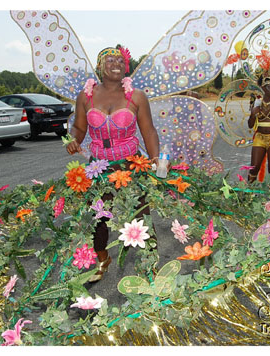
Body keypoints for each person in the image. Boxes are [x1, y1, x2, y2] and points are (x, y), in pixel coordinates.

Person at [66, 46, 160, 282]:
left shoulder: (136, 96)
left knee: (140, 214)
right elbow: (79, 127)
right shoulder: (85, 96)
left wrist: (155, 158)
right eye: (110, 60)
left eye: (121, 60)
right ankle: (102, 258)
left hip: (130, 163)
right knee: (99, 216)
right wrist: (73, 140)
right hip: (98, 165)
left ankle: (151, 263)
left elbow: (148, 130)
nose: (116, 64)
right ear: (100, 66)